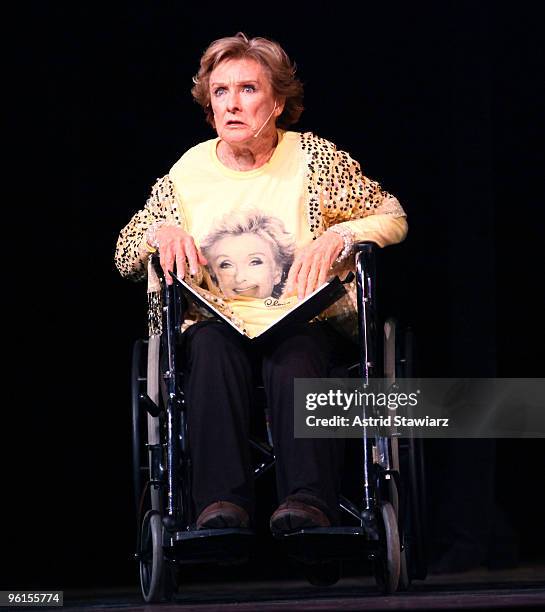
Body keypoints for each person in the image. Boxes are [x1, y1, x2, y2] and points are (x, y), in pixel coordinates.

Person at [115, 32, 408, 533]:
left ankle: (308, 504)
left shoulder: (313, 157)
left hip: (299, 315)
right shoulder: (189, 170)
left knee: (296, 353)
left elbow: (393, 216)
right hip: (216, 319)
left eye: (248, 89)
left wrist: (339, 234)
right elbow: (126, 251)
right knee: (207, 351)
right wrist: (160, 232)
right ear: (209, 104)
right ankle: (220, 507)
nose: (232, 104)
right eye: (221, 92)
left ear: (276, 102)